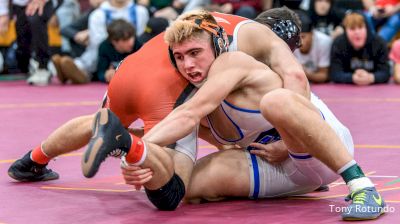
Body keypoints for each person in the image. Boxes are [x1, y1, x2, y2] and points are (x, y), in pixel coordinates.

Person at [83, 10, 386, 220]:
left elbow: (190, 115)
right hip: (278, 170)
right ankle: (37, 158)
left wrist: (287, 141)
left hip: (316, 147)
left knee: (278, 102)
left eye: (194, 53)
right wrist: (137, 153)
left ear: (216, 46)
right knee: (186, 188)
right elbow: (184, 128)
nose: (187, 64)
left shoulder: (233, 62)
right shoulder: (190, 91)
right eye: (179, 57)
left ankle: (362, 187)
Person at [8, 7, 305, 210]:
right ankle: (131, 146)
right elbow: (294, 78)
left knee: (104, 122)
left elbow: (214, 131)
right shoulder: (260, 40)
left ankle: (31, 161)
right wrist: (294, 143)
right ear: (281, 38)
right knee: (175, 191)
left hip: (131, 69)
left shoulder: (218, 24)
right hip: (166, 86)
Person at [0, 0, 63, 85]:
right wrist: (3, 13)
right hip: (19, 5)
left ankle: (43, 66)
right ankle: (26, 67)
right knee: (22, 38)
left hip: (43, 3)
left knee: (35, 19)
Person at [329, 12, 390, 85]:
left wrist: (371, 77)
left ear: (367, 29)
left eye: (360, 27)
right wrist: (352, 78)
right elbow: (334, 73)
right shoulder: (338, 44)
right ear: (346, 31)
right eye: (352, 29)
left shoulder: (379, 43)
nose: (357, 32)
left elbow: (385, 72)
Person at [293, 10, 332, 83]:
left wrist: (305, 74)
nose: (299, 41)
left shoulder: (324, 42)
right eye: (296, 37)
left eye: (303, 37)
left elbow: (324, 75)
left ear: (312, 34)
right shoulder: (290, 42)